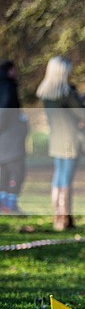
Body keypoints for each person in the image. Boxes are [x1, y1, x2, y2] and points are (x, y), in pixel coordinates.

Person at [36, 56, 85, 230]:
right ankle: (64, 220)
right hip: (70, 140)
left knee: (58, 178)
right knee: (66, 180)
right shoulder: (66, 93)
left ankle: (58, 218)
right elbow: (83, 114)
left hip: (56, 140)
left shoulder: (47, 93)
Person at [0, 60, 28, 214]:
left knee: (3, 174)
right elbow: (5, 111)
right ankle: (10, 205)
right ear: (10, 70)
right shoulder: (8, 88)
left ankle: (5, 204)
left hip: (5, 140)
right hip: (10, 140)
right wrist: (22, 123)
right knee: (17, 172)